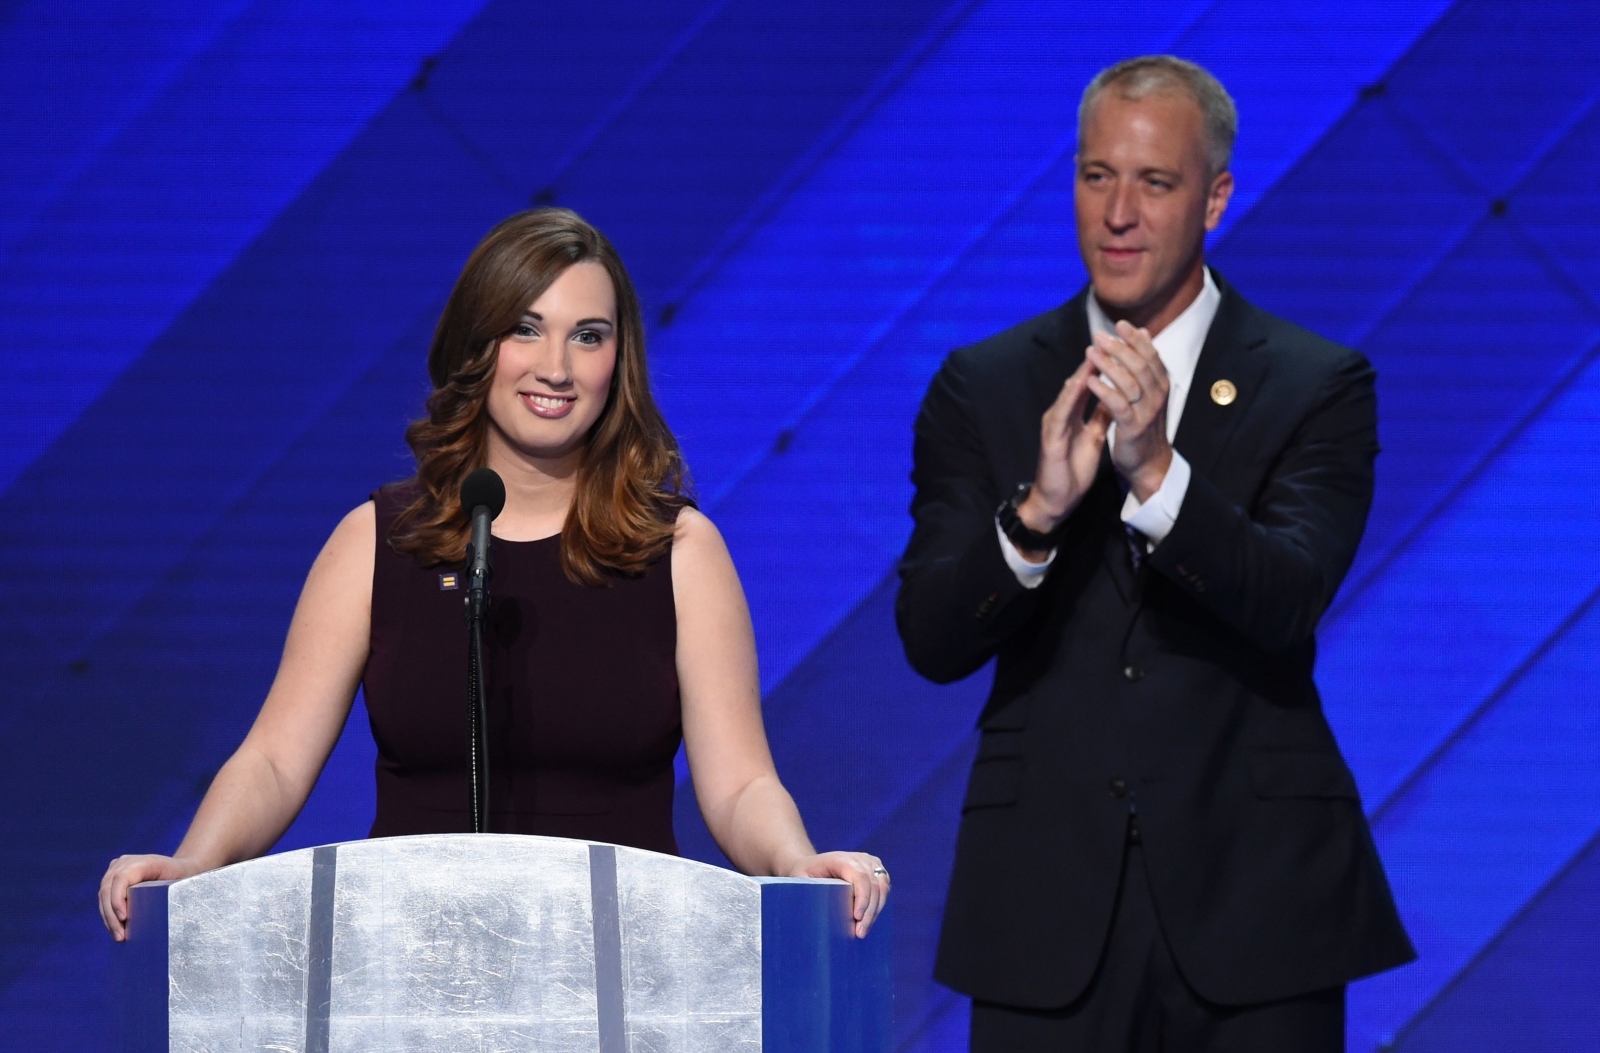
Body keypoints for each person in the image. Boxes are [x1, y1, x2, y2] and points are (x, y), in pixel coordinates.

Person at [100, 208, 889, 940]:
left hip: (624, 967)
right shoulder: (380, 539)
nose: (556, 367)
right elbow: (273, 760)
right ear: (478, 347)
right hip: (412, 964)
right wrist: (195, 867)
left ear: (620, 360)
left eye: (587, 335)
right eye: (525, 329)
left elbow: (741, 782)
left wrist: (797, 863)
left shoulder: (679, 548)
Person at [896, 56, 1413, 1051]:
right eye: (1096, 177)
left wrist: (1157, 476)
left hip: (1257, 905)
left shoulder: (1314, 383)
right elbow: (929, 635)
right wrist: (1037, 514)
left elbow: (1287, 596)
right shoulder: (986, 385)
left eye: (1154, 182)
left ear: (1216, 197)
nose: (1117, 214)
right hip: (1044, 906)